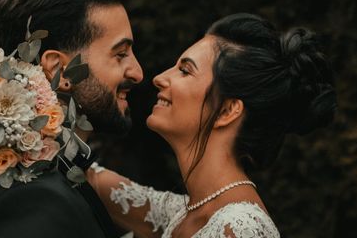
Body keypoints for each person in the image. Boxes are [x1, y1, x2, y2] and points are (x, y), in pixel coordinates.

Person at [88, 13, 337, 238]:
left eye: (185, 71)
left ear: (227, 111)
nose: (159, 78)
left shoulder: (241, 230)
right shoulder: (184, 215)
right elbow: (91, 179)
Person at [0, 0, 143, 238]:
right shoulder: (30, 200)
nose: (138, 72)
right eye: (120, 53)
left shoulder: (50, 176)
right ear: (59, 70)